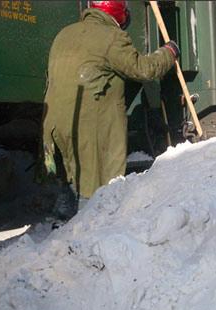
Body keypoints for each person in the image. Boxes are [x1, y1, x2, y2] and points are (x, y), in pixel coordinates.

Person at [42, 0, 178, 219]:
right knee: (96, 193)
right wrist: (169, 52)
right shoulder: (111, 37)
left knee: (70, 180)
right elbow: (142, 69)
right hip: (89, 126)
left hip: (56, 125)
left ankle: (62, 225)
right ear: (118, 13)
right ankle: (86, 239)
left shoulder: (64, 34)